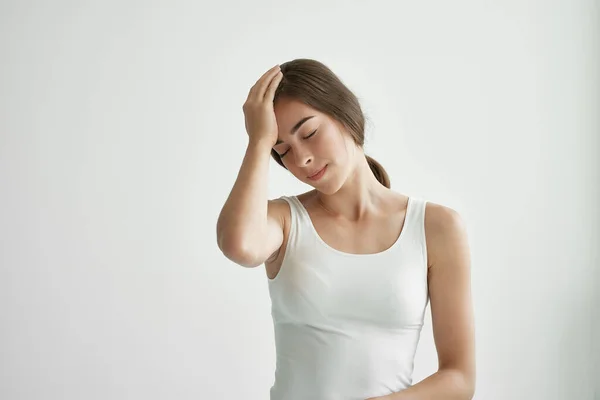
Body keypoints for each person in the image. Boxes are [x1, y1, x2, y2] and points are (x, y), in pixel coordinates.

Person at [216, 59, 476, 400]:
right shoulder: (284, 220)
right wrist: (257, 142)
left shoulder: (436, 228)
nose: (302, 159)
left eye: (309, 133)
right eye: (283, 150)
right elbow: (240, 246)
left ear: (344, 114)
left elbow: (459, 378)